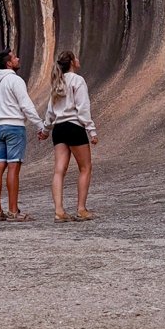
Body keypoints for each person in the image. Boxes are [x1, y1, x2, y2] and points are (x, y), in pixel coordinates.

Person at [39, 51, 98, 222]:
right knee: (85, 168)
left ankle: (59, 210)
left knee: (59, 170)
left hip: (59, 129)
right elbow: (83, 108)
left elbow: (50, 111)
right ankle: (81, 208)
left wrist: (45, 131)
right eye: (76, 57)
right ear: (72, 62)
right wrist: (91, 131)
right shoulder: (77, 80)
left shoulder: (57, 81)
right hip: (74, 127)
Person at [0, 47, 45, 222]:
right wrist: (40, 125)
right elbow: (26, 105)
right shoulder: (15, 80)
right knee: (14, 167)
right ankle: (14, 211)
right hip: (14, 126)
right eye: (14, 58)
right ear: (8, 63)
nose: (18, 59)